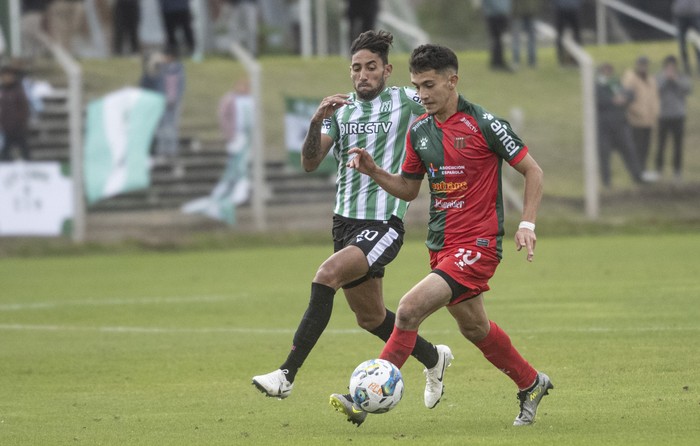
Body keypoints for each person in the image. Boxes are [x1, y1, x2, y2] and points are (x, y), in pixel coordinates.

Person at [251, 30, 453, 427]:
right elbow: (311, 162)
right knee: (371, 317)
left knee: (326, 275)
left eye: (371, 67)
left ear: (386, 71)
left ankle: (286, 375)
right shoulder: (340, 112)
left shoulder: (404, 100)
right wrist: (315, 121)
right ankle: (434, 357)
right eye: (356, 68)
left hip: (384, 223)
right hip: (344, 224)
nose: (362, 75)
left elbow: (441, 101)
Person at [345, 43, 553, 426]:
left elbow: (533, 171)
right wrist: (375, 171)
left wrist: (527, 223)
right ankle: (531, 382)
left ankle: (365, 396)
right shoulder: (420, 131)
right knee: (475, 328)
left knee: (408, 309)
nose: (421, 95)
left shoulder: (485, 123)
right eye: (416, 86)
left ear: (452, 80)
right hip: (441, 245)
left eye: (429, 85)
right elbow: (409, 188)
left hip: (479, 245)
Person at [595, 63, 645, 188]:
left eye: (609, 70)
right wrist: (613, 100)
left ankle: (637, 176)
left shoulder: (616, 83)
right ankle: (606, 182)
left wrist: (624, 98)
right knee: (604, 155)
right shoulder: (597, 85)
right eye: (605, 70)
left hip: (620, 126)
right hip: (604, 128)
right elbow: (598, 100)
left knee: (629, 151)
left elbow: (630, 94)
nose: (608, 73)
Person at [654, 55, 692, 183]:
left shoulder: (681, 77)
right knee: (661, 145)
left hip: (678, 116)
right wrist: (666, 79)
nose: (671, 69)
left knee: (678, 146)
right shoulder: (659, 77)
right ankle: (658, 170)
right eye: (668, 66)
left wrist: (675, 79)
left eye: (673, 66)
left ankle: (677, 172)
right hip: (663, 116)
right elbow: (655, 89)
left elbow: (688, 89)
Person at [622, 56, 660, 178]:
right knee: (636, 148)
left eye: (645, 64)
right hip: (636, 120)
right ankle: (636, 173)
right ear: (637, 65)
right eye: (641, 64)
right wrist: (637, 111)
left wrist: (655, 112)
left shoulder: (651, 79)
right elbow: (627, 98)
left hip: (649, 120)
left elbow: (654, 97)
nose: (644, 67)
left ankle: (643, 171)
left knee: (645, 148)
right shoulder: (630, 79)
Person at [154, 45, 186, 161]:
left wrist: (176, 99)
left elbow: (181, 86)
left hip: (175, 102)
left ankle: (172, 150)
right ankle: (162, 150)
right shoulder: (160, 68)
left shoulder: (179, 69)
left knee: (172, 126)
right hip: (162, 101)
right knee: (161, 126)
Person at [0, 66, 32, 161]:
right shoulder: (2, 91)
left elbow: (24, 109)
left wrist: (20, 123)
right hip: (5, 129)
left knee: (25, 152)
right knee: (5, 153)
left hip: (18, 129)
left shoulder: (18, 91)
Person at [482, 0, 512, 71]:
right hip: (494, 15)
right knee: (497, 40)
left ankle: (498, 61)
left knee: (499, 40)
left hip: (500, 15)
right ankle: (497, 62)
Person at [672, 0, 700, 76]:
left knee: (698, 43)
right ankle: (686, 69)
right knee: (682, 44)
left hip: (695, 13)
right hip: (680, 15)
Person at [511, 0, 540, 68]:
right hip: (518, 13)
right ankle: (516, 61)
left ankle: (532, 61)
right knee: (516, 39)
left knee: (531, 38)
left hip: (530, 13)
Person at [553, 0, 582, 66]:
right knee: (576, 35)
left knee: (560, 35)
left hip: (562, 8)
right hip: (573, 7)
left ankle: (562, 60)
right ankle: (574, 59)